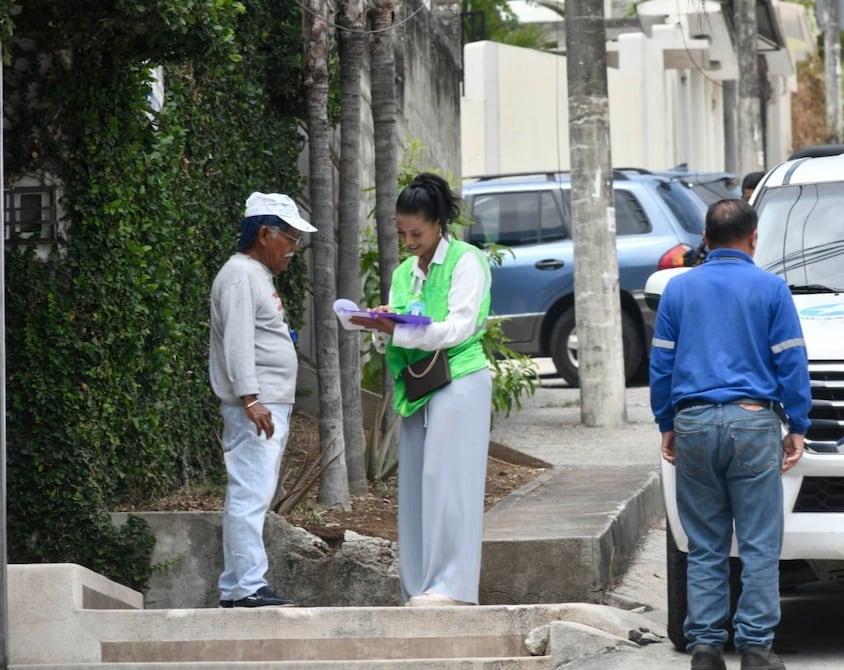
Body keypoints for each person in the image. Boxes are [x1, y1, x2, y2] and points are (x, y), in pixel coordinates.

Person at [649, 198, 811, 670]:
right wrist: (797, 424)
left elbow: (661, 364)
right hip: (753, 422)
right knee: (759, 541)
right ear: (753, 238)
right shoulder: (771, 289)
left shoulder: (680, 290)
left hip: (694, 423)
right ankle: (756, 648)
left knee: (705, 543)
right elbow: (791, 361)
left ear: (704, 237)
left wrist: (667, 422)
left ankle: (704, 647)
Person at [350, 172, 492, 607]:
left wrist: (401, 331)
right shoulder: (404, 273)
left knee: (448, 481)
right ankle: (417, 586)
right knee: (415, 486)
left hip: (460, 378)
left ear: (438, 225)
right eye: (402, 232)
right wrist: (380, 326)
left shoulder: (467, 261)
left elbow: (461, 326)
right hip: (418, 385)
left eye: (417, 232)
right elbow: (397, 330)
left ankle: (452, 587)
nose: (409, 241)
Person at [209, 191, 316, 608]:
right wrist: (251, 399)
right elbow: (238, 342)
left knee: (253, 493)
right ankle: (246, 586)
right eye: (290, 238)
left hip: (264, 404)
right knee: (250, 494)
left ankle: (239, 586)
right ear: (265, 233)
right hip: (256, 407)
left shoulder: (254, 275)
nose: (294, 248)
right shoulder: (240, 276)